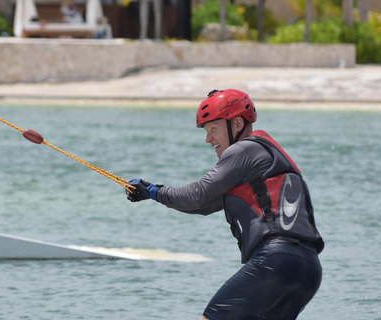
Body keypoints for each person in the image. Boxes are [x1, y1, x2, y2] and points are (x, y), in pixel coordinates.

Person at [126, 89, 324, 320]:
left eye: (213, 129)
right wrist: (152, 195)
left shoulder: (244, 150)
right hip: (309, 269)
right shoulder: (267, 157)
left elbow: (199, 194)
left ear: (237, 123)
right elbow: (204, 205)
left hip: (275, 260)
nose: (208, 139)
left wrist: (155, 191)